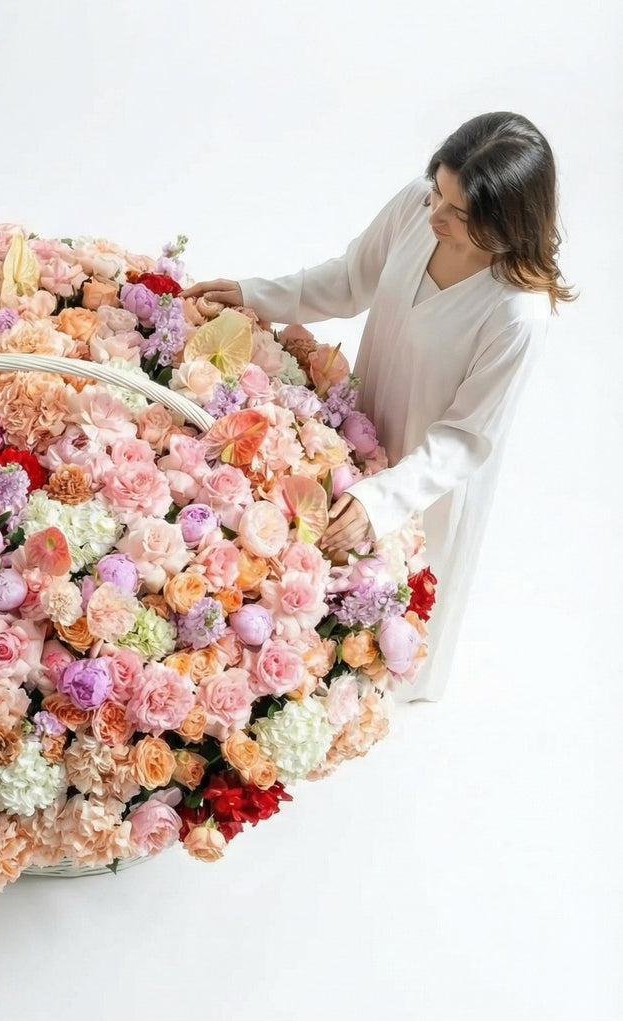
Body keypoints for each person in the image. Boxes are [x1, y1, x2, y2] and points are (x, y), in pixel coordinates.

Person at [183, 111, 574, 701]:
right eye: (438, 192)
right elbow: (348, 280)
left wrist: (381, 498)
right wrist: (254, 293)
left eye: (459, 213)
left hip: (426, 479)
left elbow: (465, 438)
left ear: (508, 222)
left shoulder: (517, 312)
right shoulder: (422, 209)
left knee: (393, 622)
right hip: (362, 428)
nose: (435, 214)